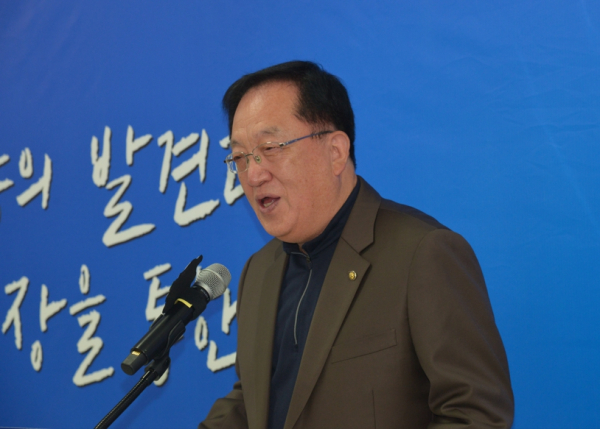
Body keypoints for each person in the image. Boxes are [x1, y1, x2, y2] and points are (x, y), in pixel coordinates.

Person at [200, 61, 514, 429]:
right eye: (240, 157)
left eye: (270, 147)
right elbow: (253, 400)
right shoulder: (259, 270)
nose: (253, 174)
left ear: (335, 151)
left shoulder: (422, 253)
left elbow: (475, 414)